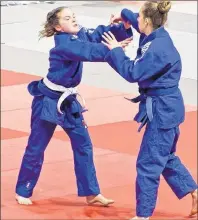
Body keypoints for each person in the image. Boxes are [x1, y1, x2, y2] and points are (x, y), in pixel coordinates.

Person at [15, 6, 133, 206]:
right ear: (58, 27)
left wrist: (122, 27)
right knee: (37, 147)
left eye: (74, 16)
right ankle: (22, 190)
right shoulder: (63, 46)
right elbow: (87, 51)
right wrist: (112, 49)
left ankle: (91, 193)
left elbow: (97, 35)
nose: (74, 20)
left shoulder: (79, 35)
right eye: (68, 18)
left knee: (83, 145)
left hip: (68, 102)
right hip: (48, 101)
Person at [101, 1, 198, 219]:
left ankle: (143, 215)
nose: (136, 20)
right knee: (165, 156)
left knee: (148, 163)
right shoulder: (156, 34)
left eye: (138, 18)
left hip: (163, 111)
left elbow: (133, 72)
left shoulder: (158, 49)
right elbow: (135, 18)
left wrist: (115, 51)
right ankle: (195, 193)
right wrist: (123, 14)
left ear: (146, 21)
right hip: (168, 108)